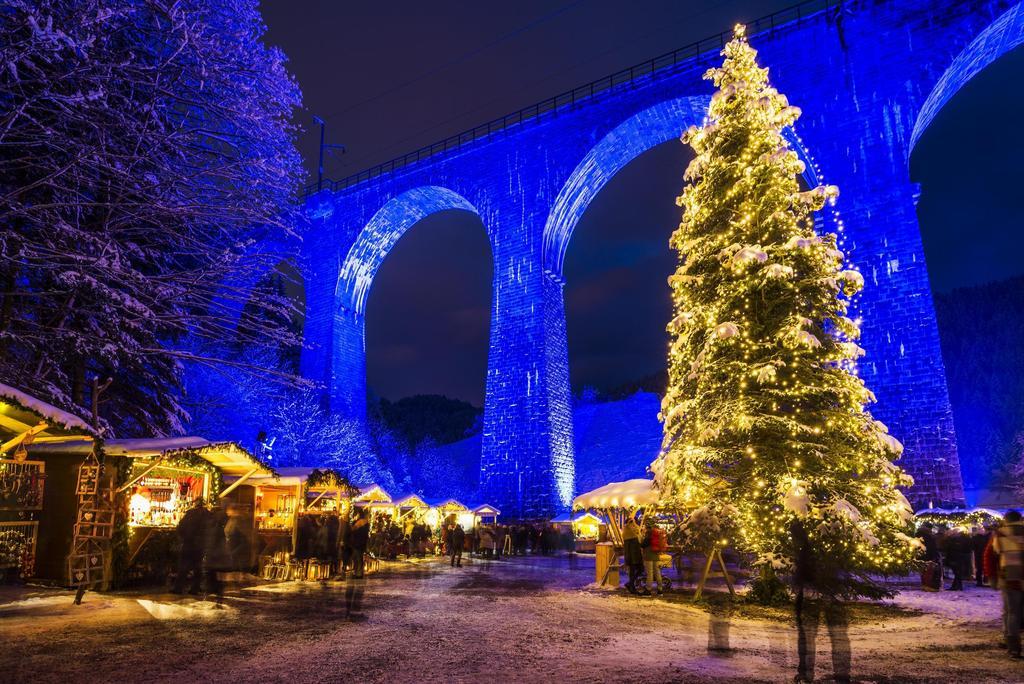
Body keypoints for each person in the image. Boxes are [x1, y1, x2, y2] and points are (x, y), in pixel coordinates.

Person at [791, 518, 850, 683]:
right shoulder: (838, 520)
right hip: (833, 585)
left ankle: (806, 675)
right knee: (837, 635)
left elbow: (802, 546)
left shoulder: (805, 518)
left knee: (808, 634)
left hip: (812, 587)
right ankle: (842, 677)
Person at [993, 510, 1024, 658]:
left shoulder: (1000, 534)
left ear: (1006, 520)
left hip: (1009, 577)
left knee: (1012, 612)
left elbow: (996, 551)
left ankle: (1014, 648)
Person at [172, 499, 207, 594]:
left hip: (188, 543)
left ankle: (178, 588)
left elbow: (180, 527)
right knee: (197, 567)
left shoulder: (190, 514)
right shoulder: (207, 515)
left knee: (183, 566)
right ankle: (195, 588)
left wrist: (182, 537)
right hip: (200, 544)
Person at [204, 504, 230, 606]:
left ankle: (213, 596)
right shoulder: (219, 525)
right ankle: (217, 596)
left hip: (215, 555)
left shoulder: (214, 525)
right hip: (218, 555)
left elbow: (212, 540)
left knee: (212, 575)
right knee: (216, 576)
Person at [641, 522, 666, 596]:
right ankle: (660, 590)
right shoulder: (657, 534)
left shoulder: (648, 534)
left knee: (650, 574)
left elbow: (643, 545)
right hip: (656, 556)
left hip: (649, 556)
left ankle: (648, 590)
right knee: (657, 573)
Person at [622, 516, 644, 594]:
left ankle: (630, 584)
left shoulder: (629, 531)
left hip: (633, 556)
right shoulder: (629, 531)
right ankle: (631, 586)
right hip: (633, 556)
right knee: (637, 570)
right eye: (632, 521)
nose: (633, 523)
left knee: (636, 571)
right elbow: (634, 545)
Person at [917, 522, 941, 591]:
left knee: (924, 571)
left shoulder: (919, 534)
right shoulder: (928, 535)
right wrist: (934, 556)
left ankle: (925, 585)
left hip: (922, 555)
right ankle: (928, 585)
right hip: (928, 556)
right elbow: (931, 547)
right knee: (929, 571)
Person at [350, 509, 370, 579]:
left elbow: (353, 530)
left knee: (357, 558)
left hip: (357, 543)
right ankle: (360, 572)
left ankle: (357, 573)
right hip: (362, 543)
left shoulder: (358, 522)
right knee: (360, 558)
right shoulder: (366, 523)